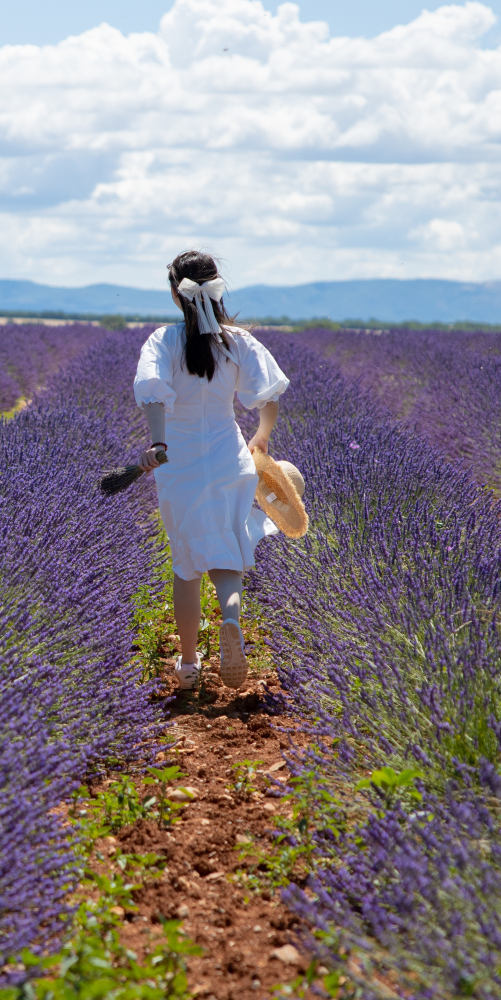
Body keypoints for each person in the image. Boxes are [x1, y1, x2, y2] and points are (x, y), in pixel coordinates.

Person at [133, 250, 290, 690]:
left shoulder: (163, 340)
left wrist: (158, 443)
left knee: (186, 564)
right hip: (229, 457)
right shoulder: (236, 341)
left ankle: (187, 665)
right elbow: (269, 392)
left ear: (174, 292)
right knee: (227, 550)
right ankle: (233, 619)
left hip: (181, 462)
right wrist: (261, 435)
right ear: (217, 288)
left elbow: (153, 393)